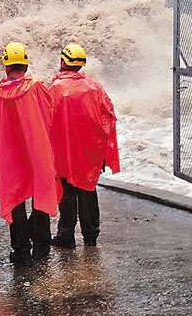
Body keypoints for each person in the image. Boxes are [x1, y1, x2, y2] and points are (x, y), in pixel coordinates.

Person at [0, 42, 60, 264]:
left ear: (5, 65)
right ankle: (42, 246)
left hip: (10, 157)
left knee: (15, 200)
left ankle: (21, 251)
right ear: (25, 63)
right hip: (37, 152)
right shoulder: (38, 87)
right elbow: (50, 117)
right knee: (41, 195)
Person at [47, 43, 119, 248]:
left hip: (63, 151)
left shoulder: (55, 88)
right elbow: (109, 116)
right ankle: (90, 236)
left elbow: (45, 120)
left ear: (63, 62)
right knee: (88, 190)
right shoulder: (95, 87)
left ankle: (66, 235)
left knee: (67, 192)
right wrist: (104, 149)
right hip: (89, 151)